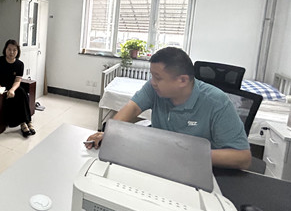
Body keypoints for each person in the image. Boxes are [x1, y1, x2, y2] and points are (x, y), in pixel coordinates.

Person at [86, 47, 252, 170]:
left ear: (182, 80)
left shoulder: (217, 102)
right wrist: (111, 133)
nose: (152, 82)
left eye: (158, 78)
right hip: (160, 160)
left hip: (196, 167)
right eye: (152, 76)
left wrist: (184, 154)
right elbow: (132, 108)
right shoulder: (154, 89)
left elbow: (242, 158)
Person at [0, 39, 34, 137]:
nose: (11, 52)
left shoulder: (20, 64)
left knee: (21, 92)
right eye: (9, 49)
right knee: (18, 95)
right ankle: (23, 123)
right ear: (5, 50)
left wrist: (12, 90)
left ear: (18, 51)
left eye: (14, 50)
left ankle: (27, 122)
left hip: (11, 87)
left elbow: (17, 81)